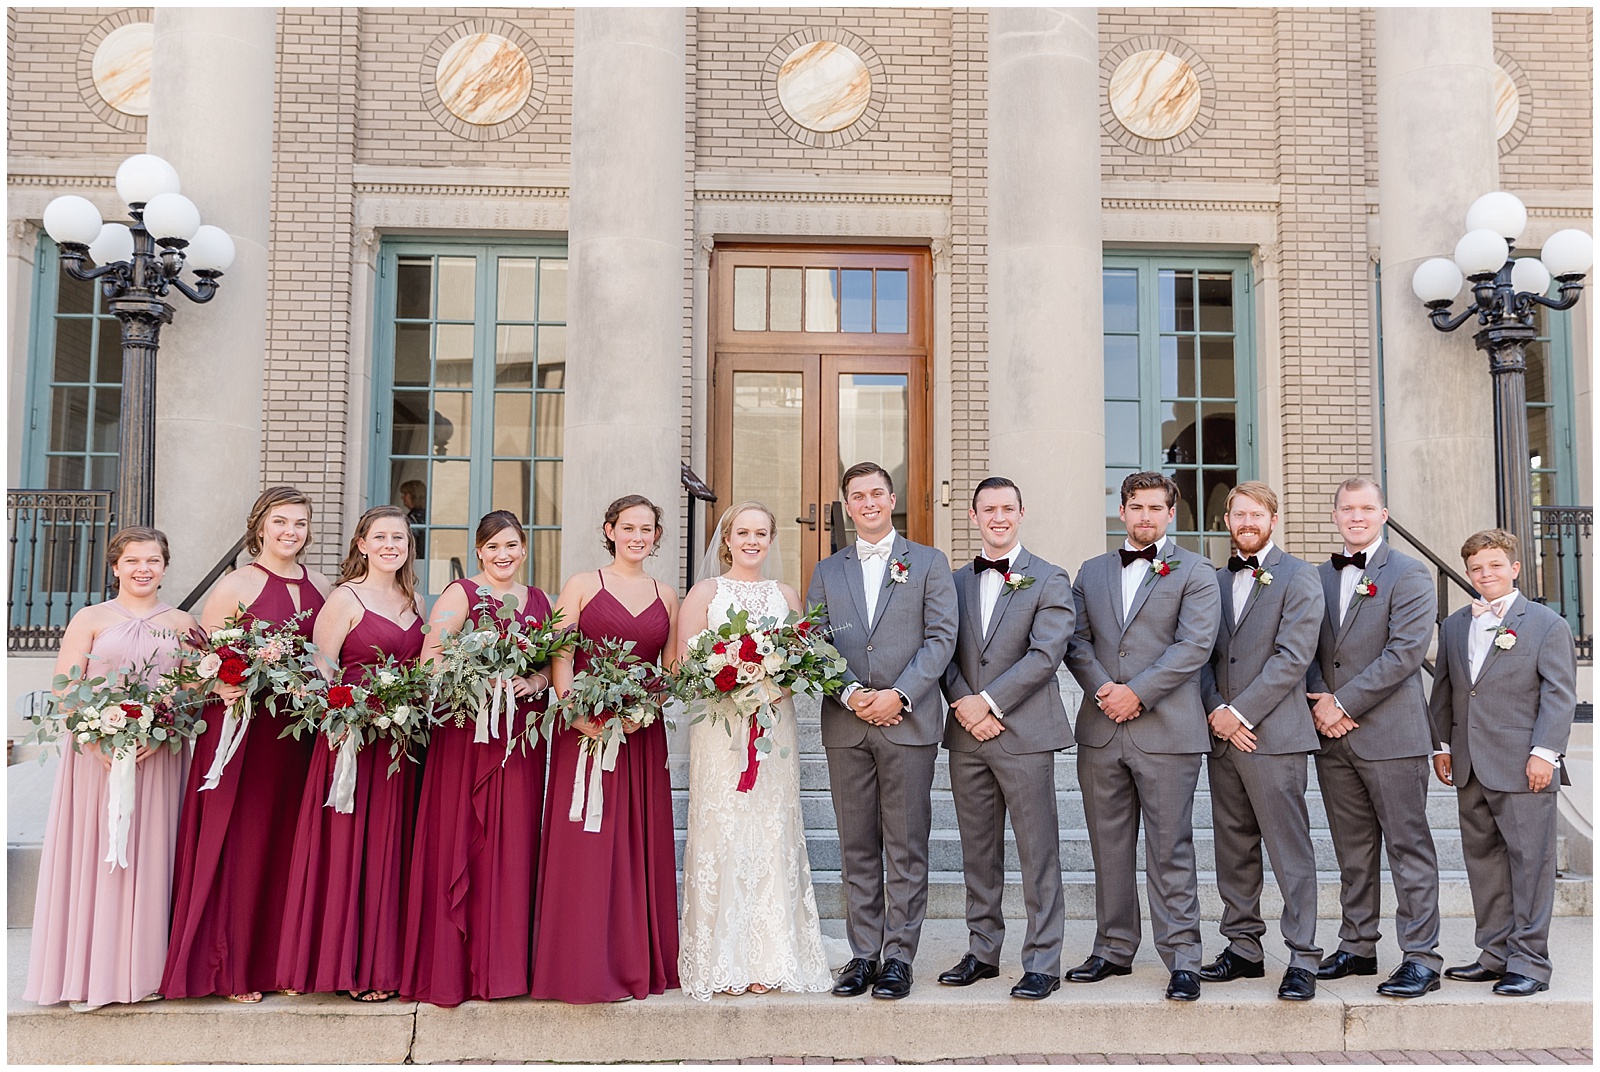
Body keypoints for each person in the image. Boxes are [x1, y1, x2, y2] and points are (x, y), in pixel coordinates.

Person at [162, 487, 331, 1004]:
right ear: (259, 526)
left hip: (298, 733)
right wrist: (219, 685)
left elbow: (327, 658)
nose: (290, 532)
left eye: (300, 523)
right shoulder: (236, 584)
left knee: (288, 839)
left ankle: (283, 959)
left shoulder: (323, 583)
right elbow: (199, 661)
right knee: (242, 837)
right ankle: (230, 965)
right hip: (242, 729)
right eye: (280, 522)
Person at [25, 527, 198, 1010]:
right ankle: (90, 971)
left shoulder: (184, 623)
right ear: (116, 566)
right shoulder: (91, 618)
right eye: (133, 560)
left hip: (159, 757)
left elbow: (196, 690)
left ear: (165, 566)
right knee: (99, 854)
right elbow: (65, 687)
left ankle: (147, 969)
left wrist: (165, 723)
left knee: (154, 856)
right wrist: (95, 735)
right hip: (96, 760)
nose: (144, 569)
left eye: (153, 560)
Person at [1064, 471, 1220, 1002]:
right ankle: (1112, 947)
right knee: (1108, 846)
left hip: (1168, 730)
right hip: (1102, 727)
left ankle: (1182, 957)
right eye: (1136, 507)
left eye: (1156, 508)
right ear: (1122, 511)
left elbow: (1194, 645)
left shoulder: (1197, 571)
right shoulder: (1091, 571)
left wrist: (1139, 692)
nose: (1145, 516)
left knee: (1170, 846)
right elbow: (1076, 641)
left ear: (1171, 512)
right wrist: (1106, 688)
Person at [805, 461, 958, 1001]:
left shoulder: (930, 562)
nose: (868, 502)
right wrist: (849, 693)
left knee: (907, 844)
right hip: (846, 725)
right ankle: (864, 954)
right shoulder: (827, 570)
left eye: (876, 493)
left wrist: (899, 695)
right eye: (857, 496)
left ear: (891, 498)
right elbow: (814, 642)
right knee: (857, 845)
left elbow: (941, 638)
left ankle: (899, 957)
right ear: (847, 505)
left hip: (908, 722)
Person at [675, 501, 837, 1000]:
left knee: (771, 829)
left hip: (771, 727)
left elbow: (798, 664)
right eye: (742, 532)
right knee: (721, 829)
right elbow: (683, 664)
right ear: (726, 539)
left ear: (771, 540)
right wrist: (730, 681)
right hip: (720, 729)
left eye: (761, 533)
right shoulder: (705, 592)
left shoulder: (785, 594)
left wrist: (766, 684)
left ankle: (770, 955)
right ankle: (720, 956)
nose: (751, 541)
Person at [529, 495, 681, 1004]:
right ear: (609, 530)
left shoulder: (667, 593)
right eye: (628, 527)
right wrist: (574, 711)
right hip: (585, 729)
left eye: (647, 529)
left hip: (639, 732)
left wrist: (644, 710)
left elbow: (673, 669)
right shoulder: (580, 585)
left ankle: (633, 958)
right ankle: (577, 962)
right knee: (587, 841)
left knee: (635, 839)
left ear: (657, 536)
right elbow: (560, 654)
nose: (638, 537)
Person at [402, 510, 553, 1007]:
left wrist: (532, 682)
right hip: (468, 735)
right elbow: (431, 656)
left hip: (519, 741)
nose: (503, 555)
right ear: (479, 552)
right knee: (464, 837)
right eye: (492, 547)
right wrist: (476, 678)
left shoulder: (539, 601)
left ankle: (505, 967)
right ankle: (455, 969)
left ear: (524, 548)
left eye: (511, 545)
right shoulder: (460, 595)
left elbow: (549, 670)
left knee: (512, 844)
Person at [278, 506, 425, 1002]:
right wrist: (351, 716)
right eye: (380, 537)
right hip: (353, 741)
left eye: (399, 537)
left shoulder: (415, 599)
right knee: (352, 847)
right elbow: (320, 671)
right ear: (361, 544)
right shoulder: (344, 598)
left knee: (393, 848)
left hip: (403, 744)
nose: (390, 545)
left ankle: (387, 960)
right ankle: (349, 965)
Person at [937, 477, 1075, 1001]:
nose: (998, 516)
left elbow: (1046, 655)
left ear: (1022, 513)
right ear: (973, 516)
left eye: (1007, 508)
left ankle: (1042, 960)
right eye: (988, 508)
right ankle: (982, 951)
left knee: (1038, 851)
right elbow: (941, 649)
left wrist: (989, 703)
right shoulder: (952, 582)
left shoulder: (1050, 578)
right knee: (979, 851)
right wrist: (965, 705)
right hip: (968, 735)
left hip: (1024, 732)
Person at [1306, 477, 1443, 999]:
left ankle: (1421, 957)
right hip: (1332, 737)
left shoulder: (1409, 573)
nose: (1356, 516)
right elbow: (1305, 650)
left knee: (1408, 848)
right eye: (1347, 508)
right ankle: (1358, 945)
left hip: (1391, 734)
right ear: (1335, 514)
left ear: (1383, 514)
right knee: (1352, 850)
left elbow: (1406, 652)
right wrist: (1321, 701)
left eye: (1366, 508)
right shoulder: (1315, 576)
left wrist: (1342, 703)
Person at [1430, 529, 1577, 997]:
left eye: (1495, 565)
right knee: (1484, 863)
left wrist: (1544, 754)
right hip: (1469, 765)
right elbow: (1447, 693)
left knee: (1530, 865)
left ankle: (1530, 963)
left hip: (1523, 765)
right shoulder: (1454, 625)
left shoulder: (1546, 624)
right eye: (1476, 568)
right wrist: (1442, 747)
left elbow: (1559, 696)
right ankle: (1493, 954)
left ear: (1514, 568)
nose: (1485, 574)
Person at [1195, 482, 1324, 1002]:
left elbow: (1294, 657)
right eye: (1238, 514)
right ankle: (1243, 947)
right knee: (1234, 847)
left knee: (1289, 849)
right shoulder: (1210, 580)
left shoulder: (1300, 576)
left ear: (1273, 518)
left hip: (1273, 734)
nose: (1247, 522)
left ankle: (1302, 957)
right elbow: (1199, 652)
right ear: (1226, 520)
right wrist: (1214, 711)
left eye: (1256, 514)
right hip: (1222, 736)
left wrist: (1240, 713)